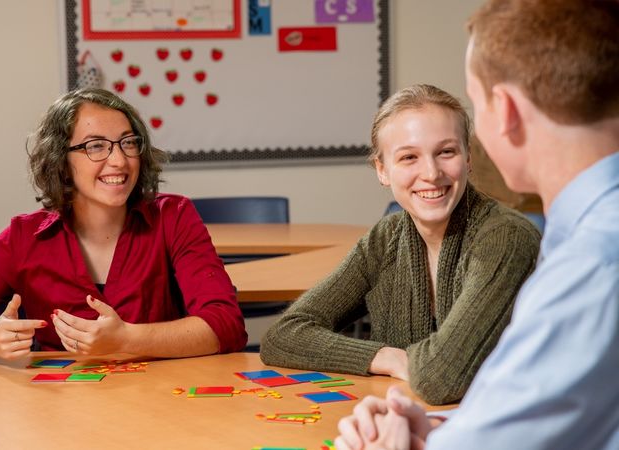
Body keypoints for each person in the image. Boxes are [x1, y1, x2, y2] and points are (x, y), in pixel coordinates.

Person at [335, 0, 619, 448]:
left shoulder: (591, 265)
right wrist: (437, 431)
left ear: (503, 110)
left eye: (475, 102)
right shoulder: (585, 240)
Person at [0, 88, 247, 360]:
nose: (118, 160)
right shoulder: (23, 237)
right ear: (60, 161)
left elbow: (227, 325)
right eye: (95, 146)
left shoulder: (174, 217)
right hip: (61, 412)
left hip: (162, 405)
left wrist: (127, 338)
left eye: (128, 143)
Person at [260, 84, 540, 405]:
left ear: (468, 158)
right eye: (409, 157)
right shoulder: (386, 238)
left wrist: (407, 364)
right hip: (415, 423)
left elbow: (440, 378)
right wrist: (388, 357)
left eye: (446, 152)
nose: (431, 173)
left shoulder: (506, 238)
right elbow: (282, 335)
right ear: (382, 170)